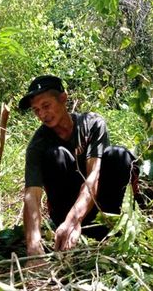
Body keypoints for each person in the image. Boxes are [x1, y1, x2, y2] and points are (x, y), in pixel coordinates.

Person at [20, 75, 140, 265]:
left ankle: (114, 227)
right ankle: (67, 234)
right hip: (65, 216)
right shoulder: (38, 145)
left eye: (46, 105)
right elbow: (31, 196)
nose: (42, 114)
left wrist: (74, 220)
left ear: (63, 99)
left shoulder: (92, 124)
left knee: (119, 154)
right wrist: (33, 246)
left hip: (99, 210)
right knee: (57, 155)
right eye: (36, 110)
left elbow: (94, 176)